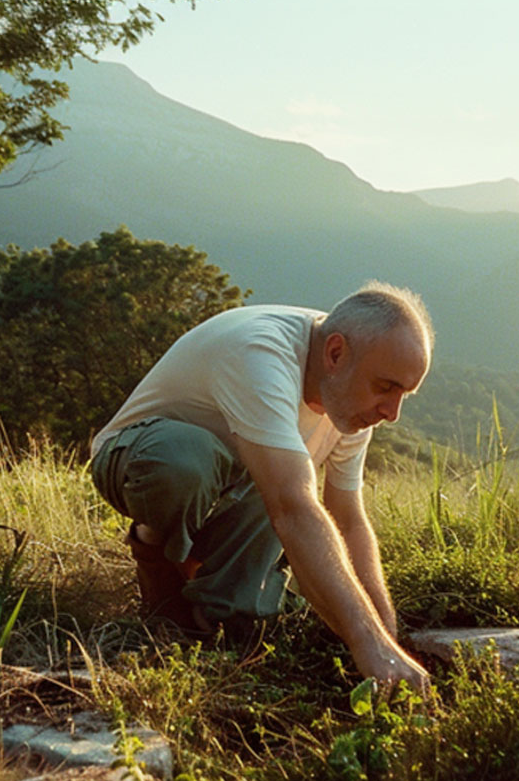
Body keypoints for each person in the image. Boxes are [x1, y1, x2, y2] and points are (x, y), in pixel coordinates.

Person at [88, 282, 432, 692]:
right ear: (335, 354)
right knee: (184, 460)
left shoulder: (352, 398)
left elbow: (349, 521)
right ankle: (155, 546)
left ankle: (208, 592)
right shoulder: (262, 354)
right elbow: (292, 508)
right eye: (386, 387)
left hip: (244, 485)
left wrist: (388, 640)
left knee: (237, 624)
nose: (392, 413)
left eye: (404, 394)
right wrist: (367, 644)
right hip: (138, 459)